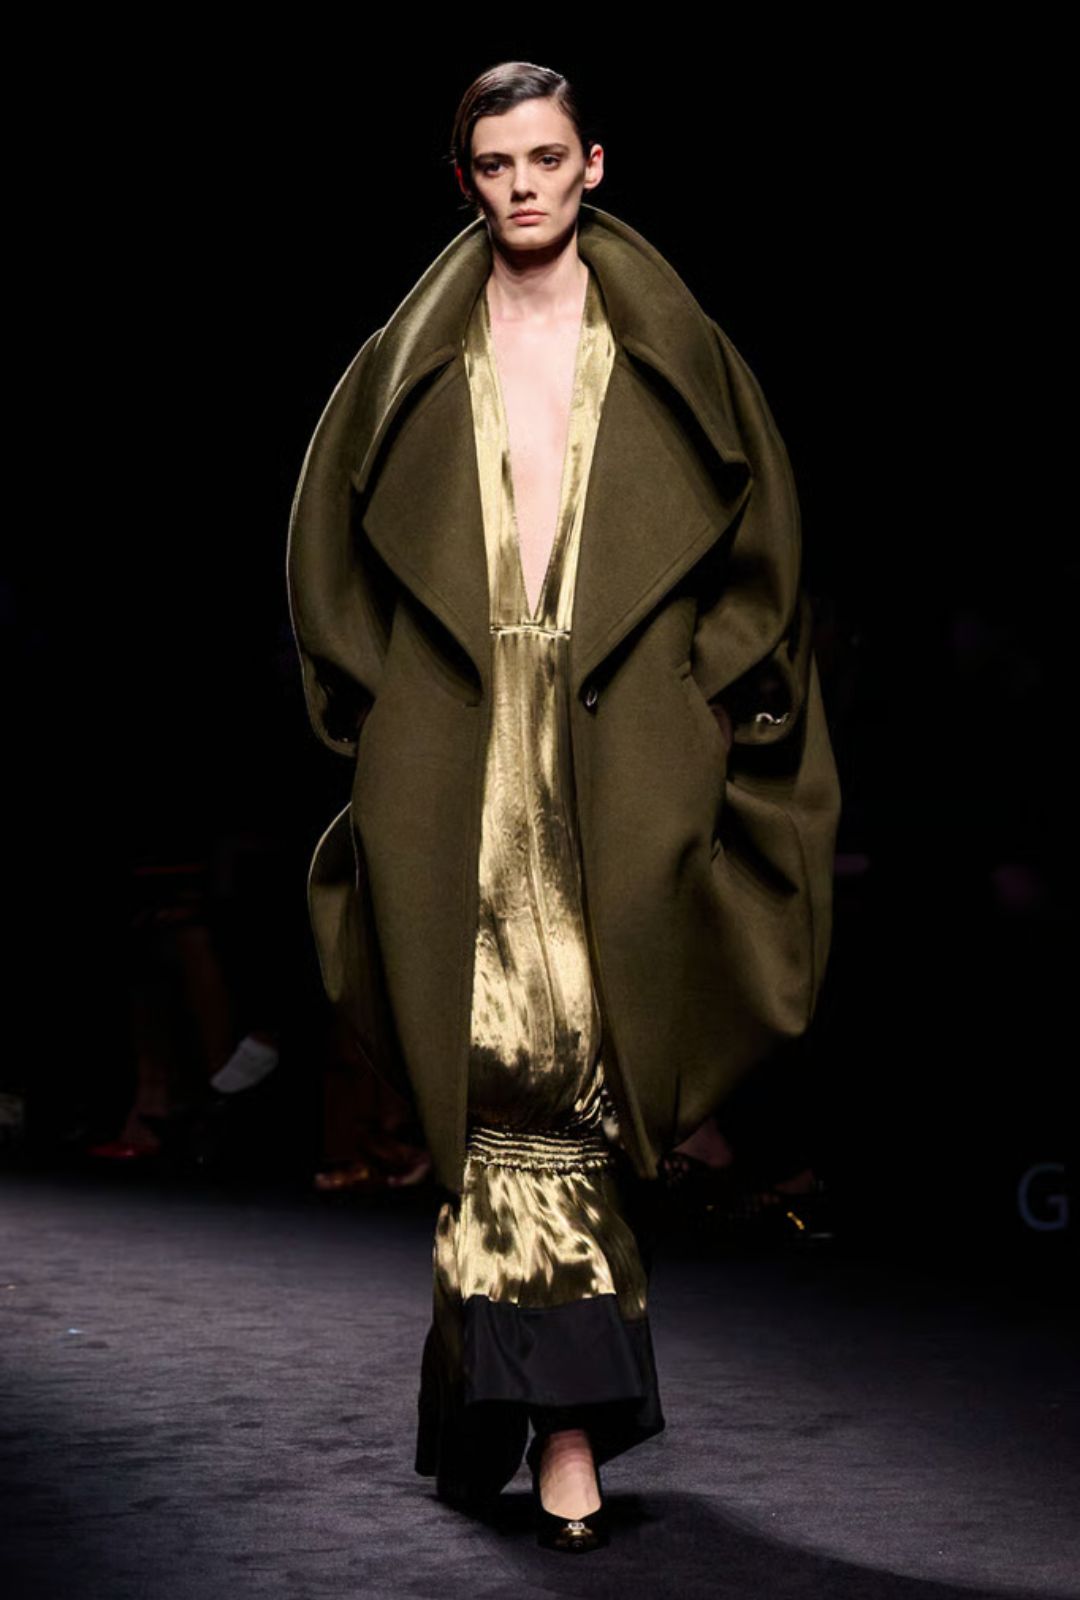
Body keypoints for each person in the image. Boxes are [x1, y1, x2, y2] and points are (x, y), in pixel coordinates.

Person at [286, 61, 841, 1553]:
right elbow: (325, 556)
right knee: (496, 1082)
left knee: (571, 1074)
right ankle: (552, 1429)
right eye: (494, 163)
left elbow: (765, 557)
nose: (522, 185)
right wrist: (381, 713)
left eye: (546, 158)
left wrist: (706, 704)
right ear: (465, 180)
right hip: (458, 750)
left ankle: (531, 1418)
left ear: (593, 164)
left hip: (617, 750)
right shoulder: (408, 363)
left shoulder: (677, 356)